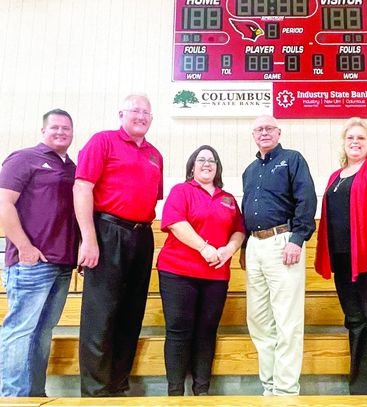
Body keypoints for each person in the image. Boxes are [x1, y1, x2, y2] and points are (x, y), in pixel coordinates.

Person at [73, 94, 163, 397]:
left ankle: (118, 386)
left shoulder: (155, 155)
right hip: (108, 230)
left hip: (142, 235)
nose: (140, 116)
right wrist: (89, 238)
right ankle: (96, 393)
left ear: (151, 119)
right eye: (135, 111)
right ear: (121, 113)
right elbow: (82, 187)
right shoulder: (102, 141)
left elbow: (150, 197)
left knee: (130, 313)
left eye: (146, 112)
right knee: (101, 314)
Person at [314, 117, 367, 395]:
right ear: (344, 142)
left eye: (360, 138)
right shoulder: (335, 177)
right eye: (350, 138)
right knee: (355, 323)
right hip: (344, 262)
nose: (355, 142)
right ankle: (363, 388)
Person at [0, 109, 79, 396]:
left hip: (62, 263)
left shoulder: (72, 168)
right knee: (20, 330)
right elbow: (3, 203)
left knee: (43, 334)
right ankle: (12, 396)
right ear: (43, 130)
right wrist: (25, 247)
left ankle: (35, 395)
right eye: (55, 127)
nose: (61, 132)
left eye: (66, 128)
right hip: (31, 263)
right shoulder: (23, 159)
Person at [156, 145, 245, 396]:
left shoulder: (228, 198)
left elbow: (239, 229)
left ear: (217, 167)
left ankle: (202, 391)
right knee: (179, 329)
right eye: (201, 160)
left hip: (216, 275)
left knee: (207, 331)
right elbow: (175, 223)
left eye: (212, 160)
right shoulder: (181, 191)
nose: (207, 164)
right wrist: (204, 248)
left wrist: (230, 248)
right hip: (178, 272)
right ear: (192, 166)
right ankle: (175, 392)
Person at [241, 115, 316, 396]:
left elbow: (306, 199)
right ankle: (269, 386)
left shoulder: (292, 159)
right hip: (255, 246)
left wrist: (297, 239)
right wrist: (247, 247)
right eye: (258, 129)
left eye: (268, 128)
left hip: (283, 241)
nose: (263, 132)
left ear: (278, 132)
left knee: (287, 320)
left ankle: (286, 391)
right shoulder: (249, 170)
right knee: (258, 320)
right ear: (253, 135)